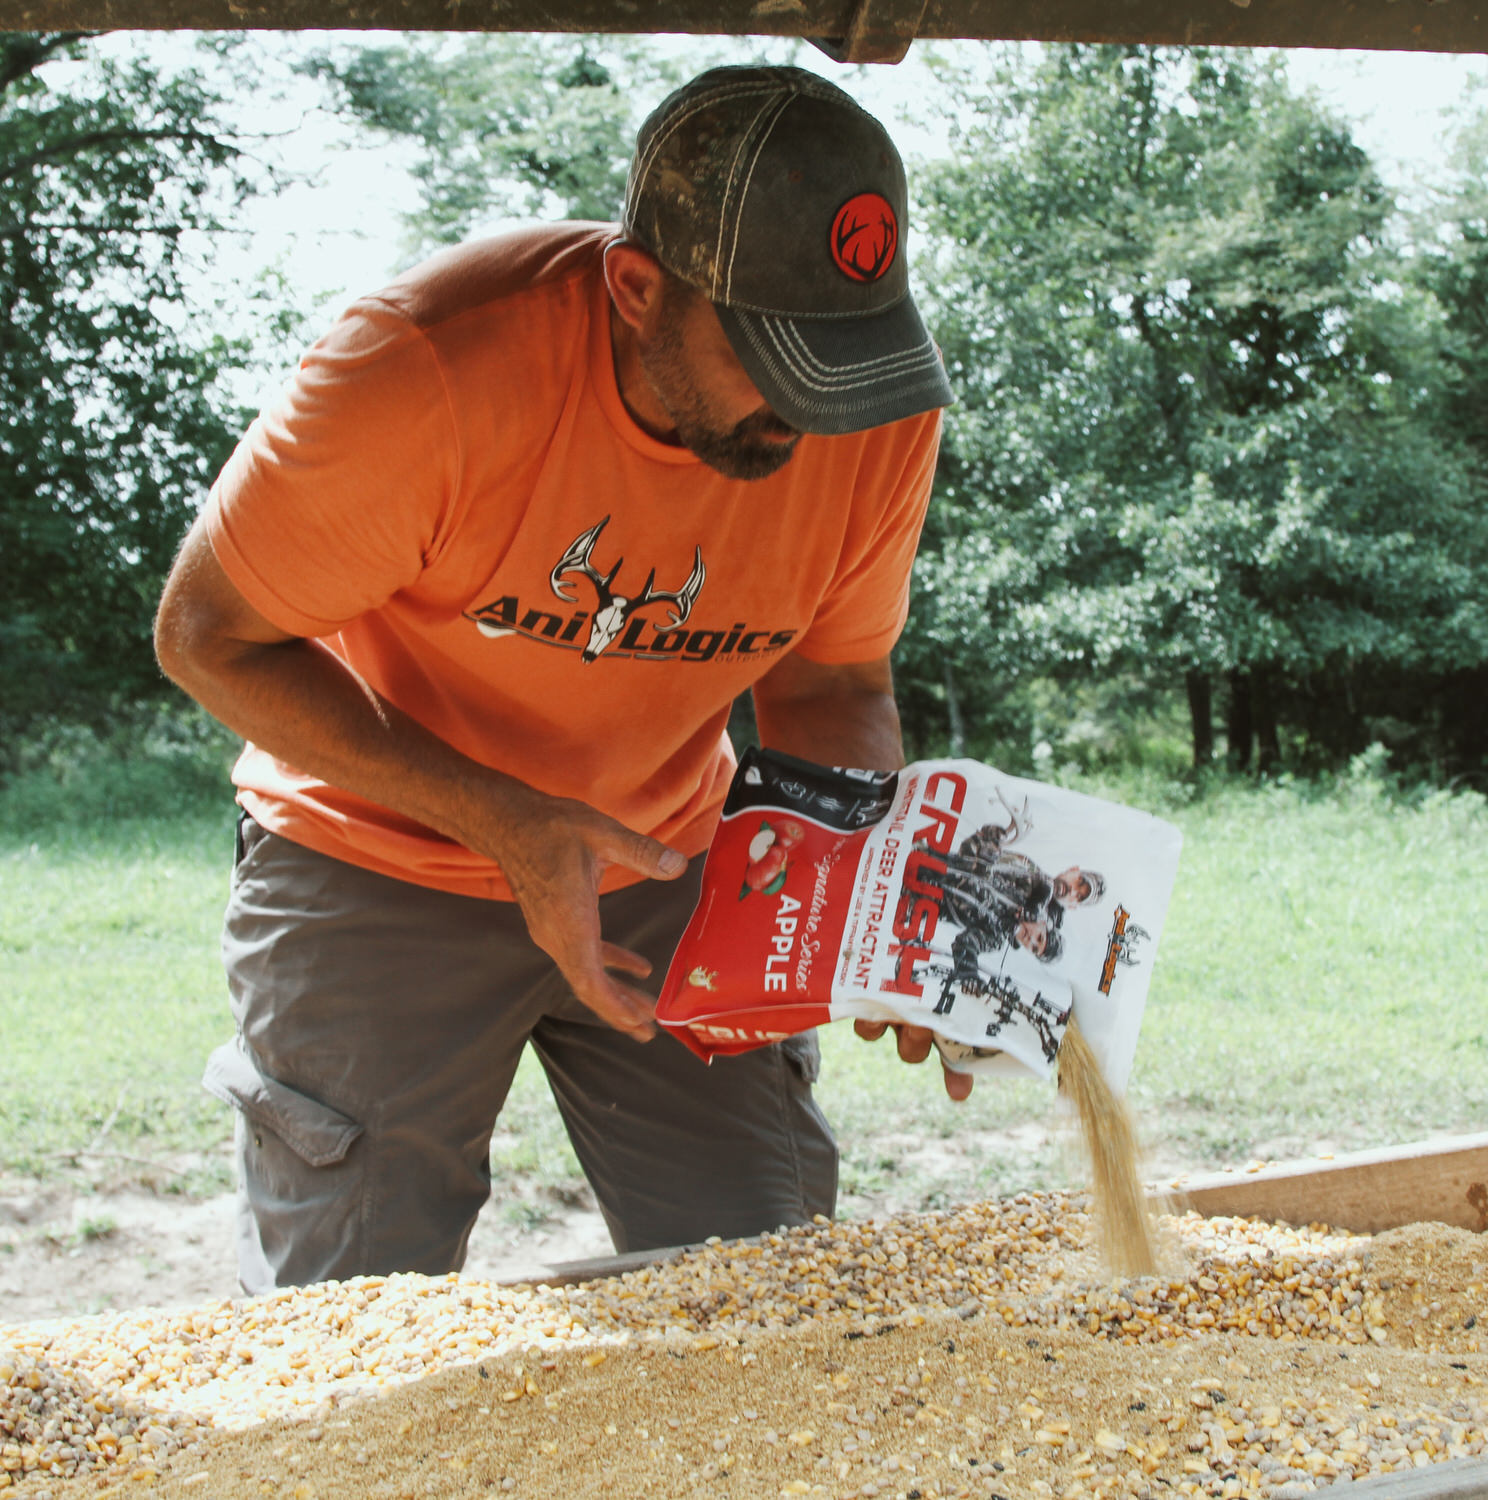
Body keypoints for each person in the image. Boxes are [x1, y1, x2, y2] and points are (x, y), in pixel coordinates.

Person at [153, 64, 956, 1293]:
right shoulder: (424, 371)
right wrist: (502, 822)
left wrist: (875, 901)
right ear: (636, 289)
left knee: (772, 1290)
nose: (814, 410)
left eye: (846, 355)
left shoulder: (870, 408)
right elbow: (207, 636)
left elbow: (835, 689)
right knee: (351, 1330)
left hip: (663, 856)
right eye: (773, 355)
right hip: (378, 858)